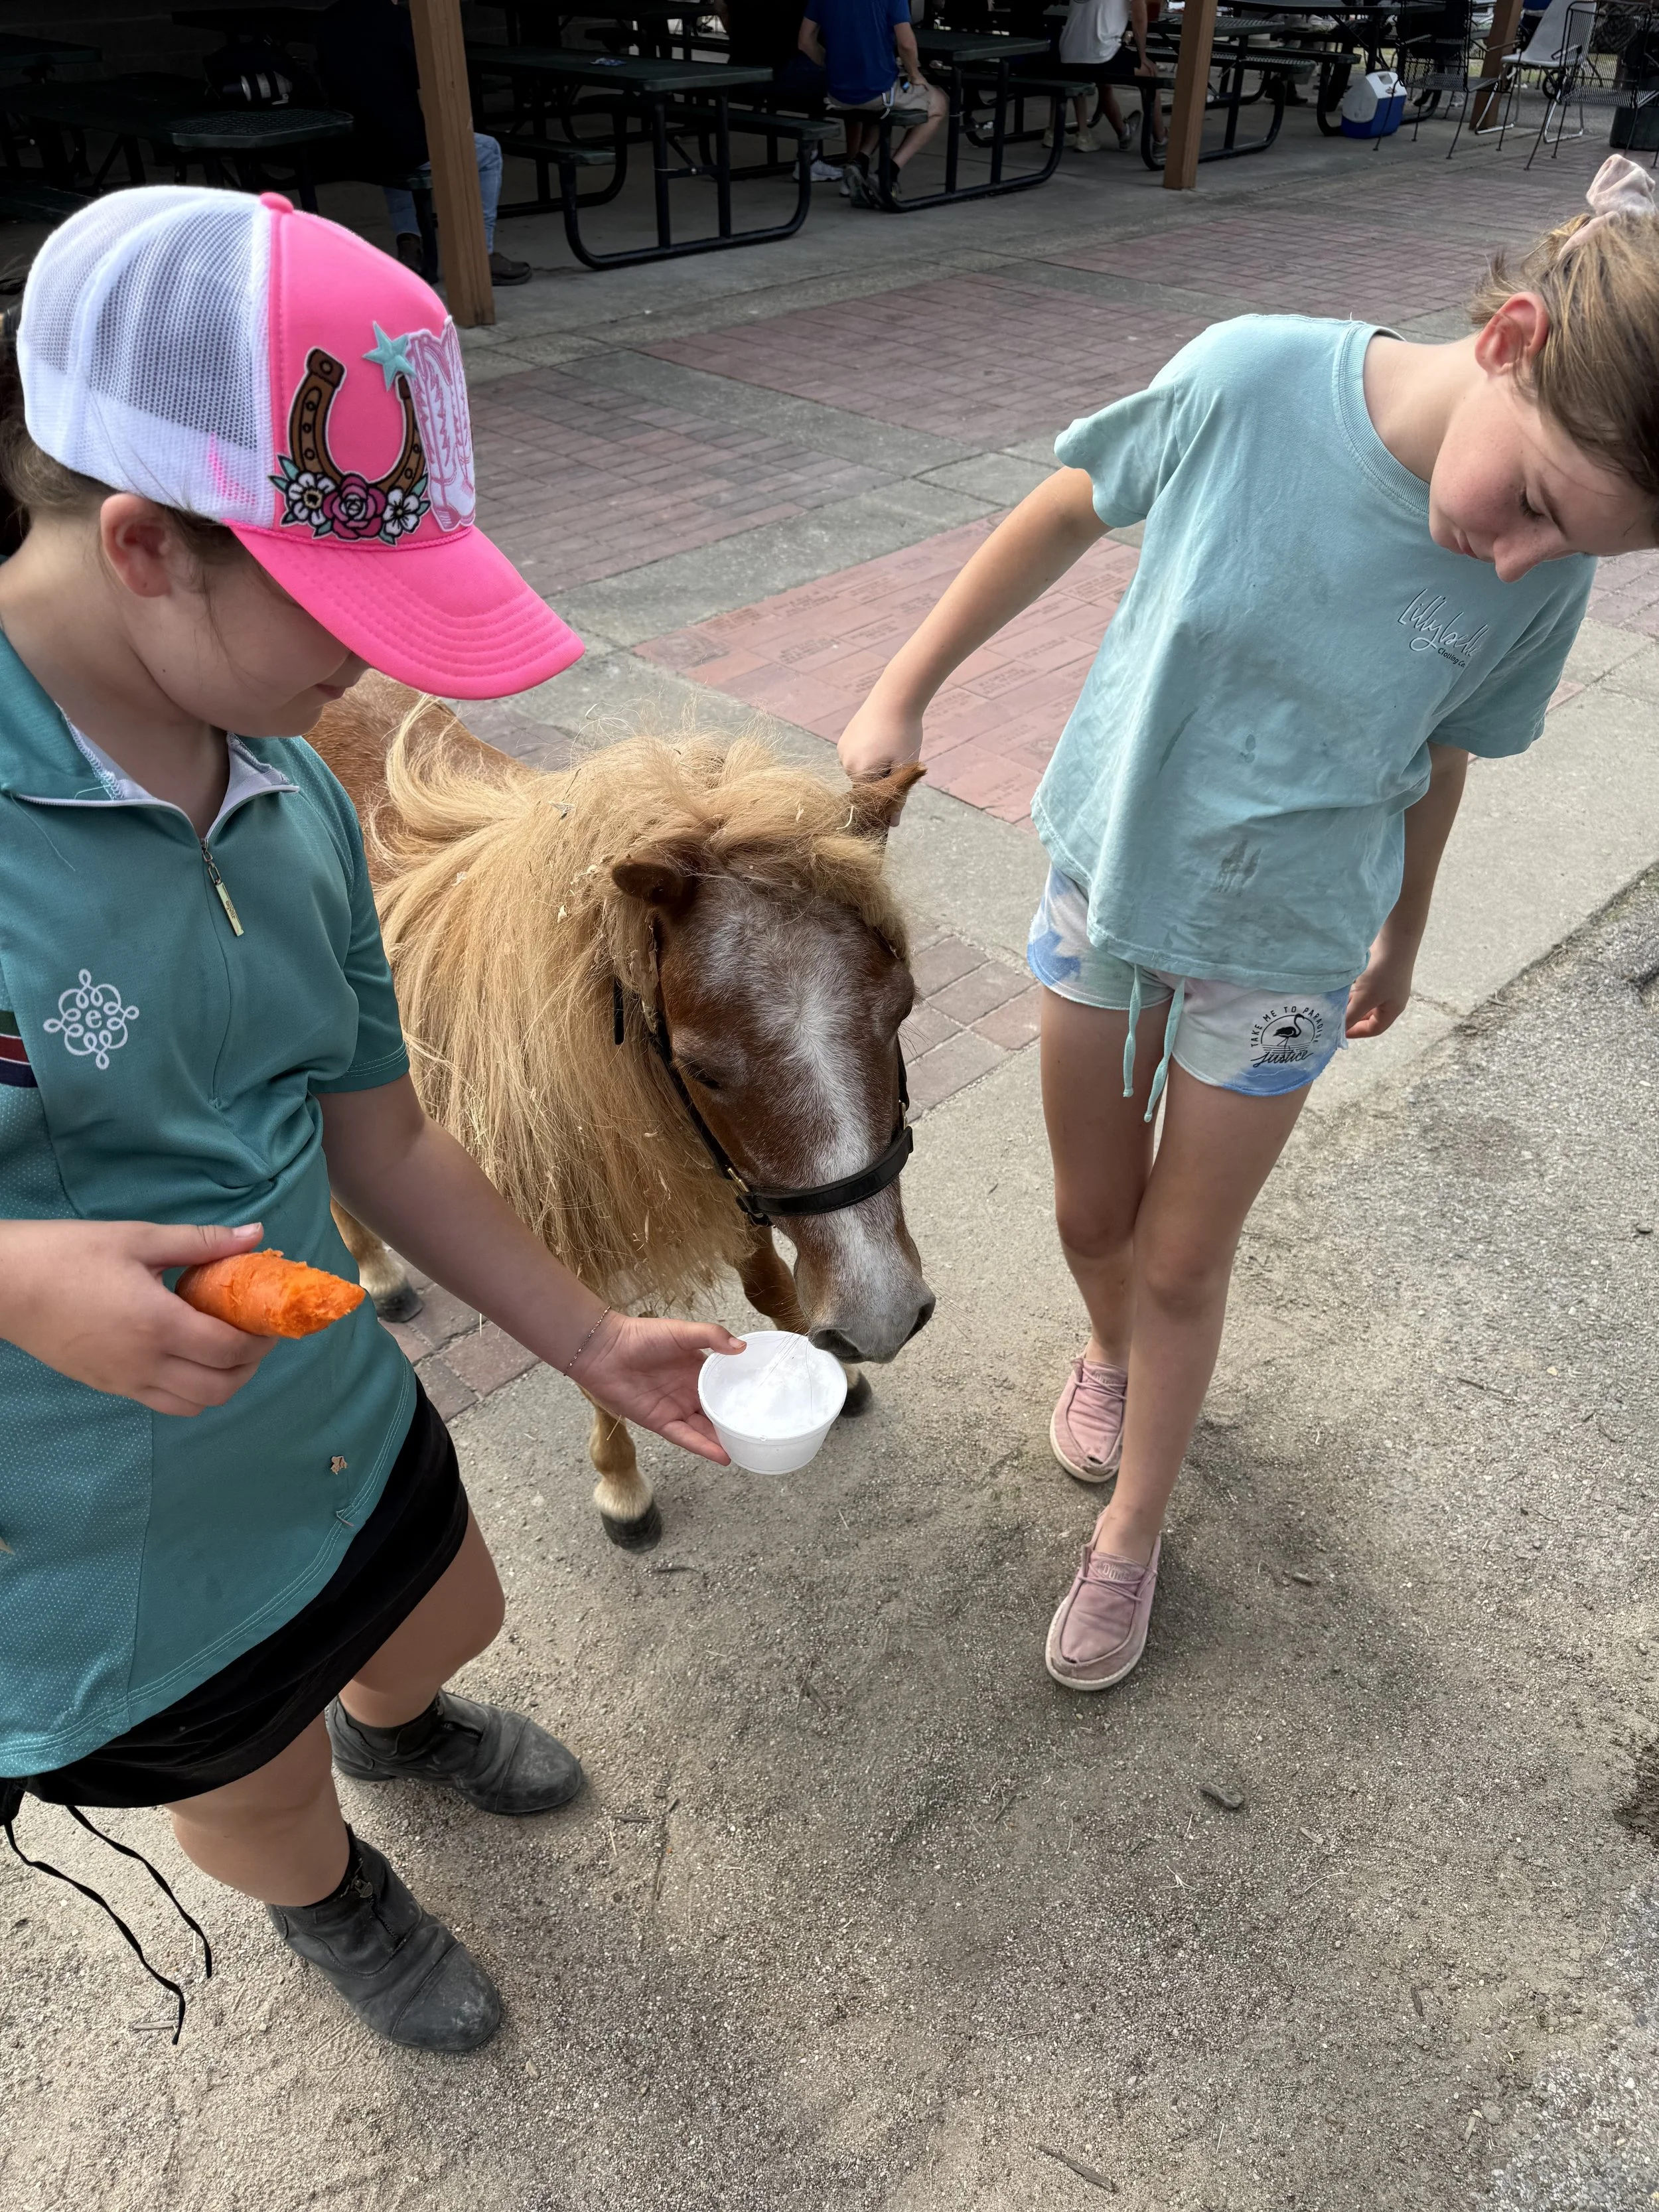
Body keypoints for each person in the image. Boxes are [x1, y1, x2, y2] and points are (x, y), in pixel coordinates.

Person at [0, 185, 745, 2052]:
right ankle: (330, 1895)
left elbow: (381, 1131)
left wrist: (590, 1337)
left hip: (321, 1394)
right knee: (246, 1775)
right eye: (339, 612)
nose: (376, 668)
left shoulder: (289, 784)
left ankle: (395, 1725)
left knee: (446, 1610)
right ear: (147, 542)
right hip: (96, 1519)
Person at [837, 157, 1659, 1693]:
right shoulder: (1249, 376)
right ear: (1510, 339)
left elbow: (1449, 749)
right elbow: (1064, 509)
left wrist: (1402, 938)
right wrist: (902, 686)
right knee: (1094, 1221)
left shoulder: (1533, 580)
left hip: (1286, 953)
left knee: (1183, 1260)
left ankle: (1136, 1533)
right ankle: (1105, 1358)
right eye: (1537, 504)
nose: (1522, 560)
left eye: (1581, 551)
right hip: (1109, 887)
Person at [316, 0, 531, 285]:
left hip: (349, 142)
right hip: (400, 143)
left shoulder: (328, 19)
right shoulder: (400, 20)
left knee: (397, 147)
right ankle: (482, 254)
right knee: (488, 151)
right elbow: (430, 83)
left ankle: (409, 244)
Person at [799, 0, 948, 209]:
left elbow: (805, 41)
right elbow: (906, 44)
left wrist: (832, 65)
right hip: (880, 91)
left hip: (837, 95)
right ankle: (889, 173)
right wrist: (915, 75)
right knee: (939, 102)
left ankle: (859, 162)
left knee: (884, 106)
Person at [714, 0, 843, 179]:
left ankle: (815, 157)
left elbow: (720, 6)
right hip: (781, 73)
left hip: (741, 73)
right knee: (847, 76)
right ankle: (821, 157)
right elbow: (810, 40)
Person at [1051, 0, 1165, 153]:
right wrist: (1142, 56)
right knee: (1150, 74)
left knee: (1104, 80)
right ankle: (1161, 139)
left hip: (1068, 53)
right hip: (1101, 53)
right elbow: (1139, 16)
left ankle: (1124, 132)